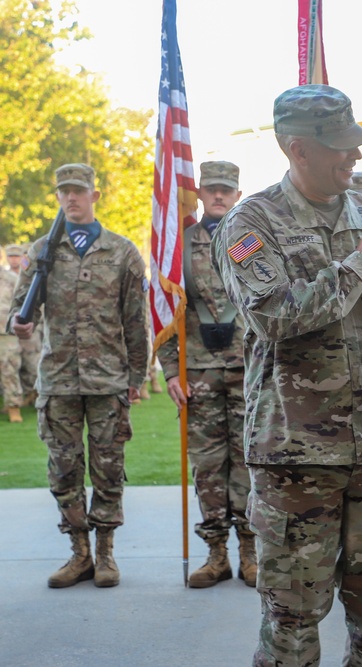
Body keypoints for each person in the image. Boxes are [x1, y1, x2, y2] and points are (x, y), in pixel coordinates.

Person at [211, 85, 362, 666]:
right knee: (292, 623)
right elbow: (274, 314)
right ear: (297, 149)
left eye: (356, 144)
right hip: (294, 459)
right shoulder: (251, 223)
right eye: (339, 147)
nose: (354, 156)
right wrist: (360, 263)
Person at [6, 163, 148, 588]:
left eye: (78, 191)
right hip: (59, 378)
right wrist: (20, 322)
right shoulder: (40, 252)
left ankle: (105, 554)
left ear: (94, 195)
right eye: (63, 192)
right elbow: (19, 307)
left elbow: (135, 322)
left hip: (108, 379)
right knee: (64, 469)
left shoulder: (122, 252)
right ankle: (79, 553)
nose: (71, 198)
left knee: (108, 467)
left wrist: (137, 376)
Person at [157, 161, 255, 588]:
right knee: (208, 466)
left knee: (250, 463)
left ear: (237, 194)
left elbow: (269, 299)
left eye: (226, 190)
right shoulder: (180, 246)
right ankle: (216, 555)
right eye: (212, 189)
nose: (218, 196)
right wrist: (169, 372)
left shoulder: (251, 241)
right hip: (196, 370)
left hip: (248, 369)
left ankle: (251, 552)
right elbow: (164, 311)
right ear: (200, 194)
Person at [5, 243, 40, 404]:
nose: (13, 260)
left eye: (16, 256)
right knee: (12, 364)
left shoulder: (28, 273)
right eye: (10, 256)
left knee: (31, 361)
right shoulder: (5, 276)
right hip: (8, 328)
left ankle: (35, 394)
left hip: (29, 324)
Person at [0, 245, 24, 422]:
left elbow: (23, 303)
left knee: (9, 368)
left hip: (5, 331)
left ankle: (13, 407)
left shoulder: (11, 279)